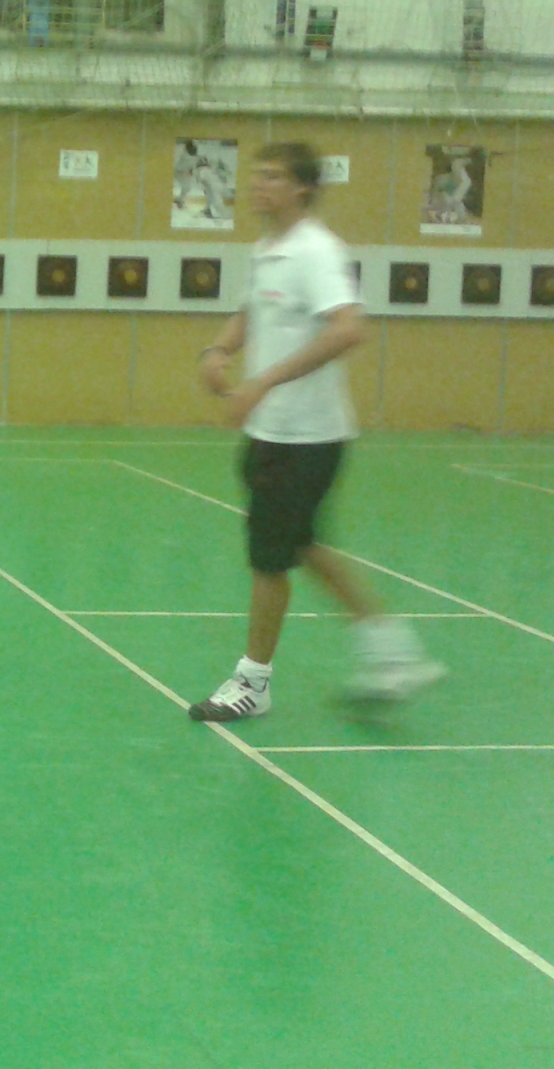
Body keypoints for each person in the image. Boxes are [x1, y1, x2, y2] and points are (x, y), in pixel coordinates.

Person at [189, 141, 445, 722]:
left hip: (307, 437)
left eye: (273, 177)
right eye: (257, 175)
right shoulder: (267, 250)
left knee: (270, 559)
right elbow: (252, 310)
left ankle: (252, 683)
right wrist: (219, 350)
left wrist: (264, 381)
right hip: (272, 433)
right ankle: (394, 654)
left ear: (303, 188)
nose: (258, 185)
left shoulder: (316, 251)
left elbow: (349, 328)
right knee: (300, 544)